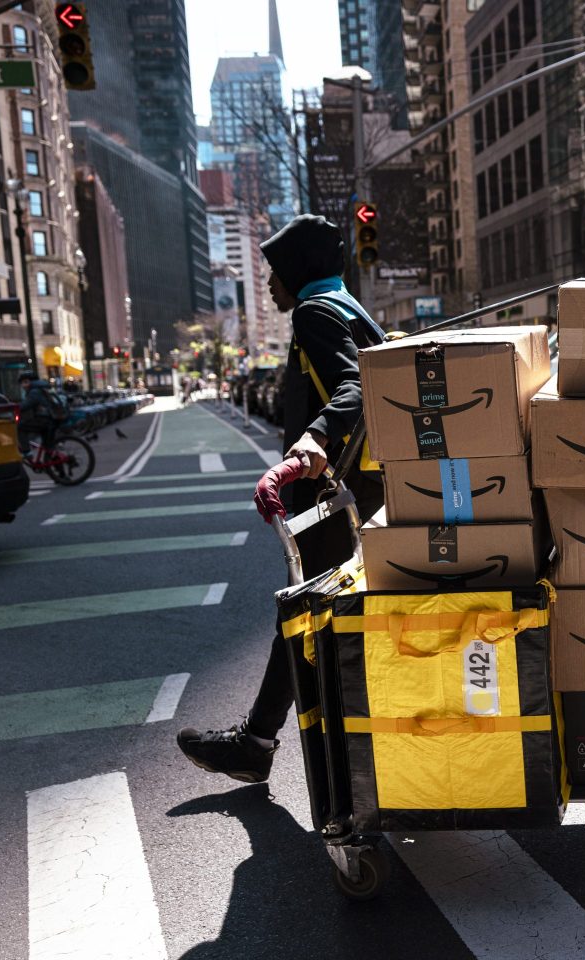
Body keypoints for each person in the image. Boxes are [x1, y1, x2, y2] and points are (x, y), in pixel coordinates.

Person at [177, 214, 387, 784]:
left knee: (302, 613)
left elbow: (354, 385)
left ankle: (257, 744)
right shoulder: (350, 307)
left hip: (331, 494)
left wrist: (313, 439)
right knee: (321, 613)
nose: (269, 281)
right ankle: (268, 738)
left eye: (275, 270)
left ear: (299, 269)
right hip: (359, 490)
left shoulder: (316, 311)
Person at [17, 371, 62, 455]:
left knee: (20, 427)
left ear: (30, 382)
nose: (23, 386)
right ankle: (56, 465)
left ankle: (27, 452)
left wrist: (14, 408)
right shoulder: (41, 388)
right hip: (51, 419)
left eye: (25, 382)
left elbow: (25, 405)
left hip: (44, 420)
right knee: (48, 448)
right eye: (22, 383)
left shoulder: (34, 391)